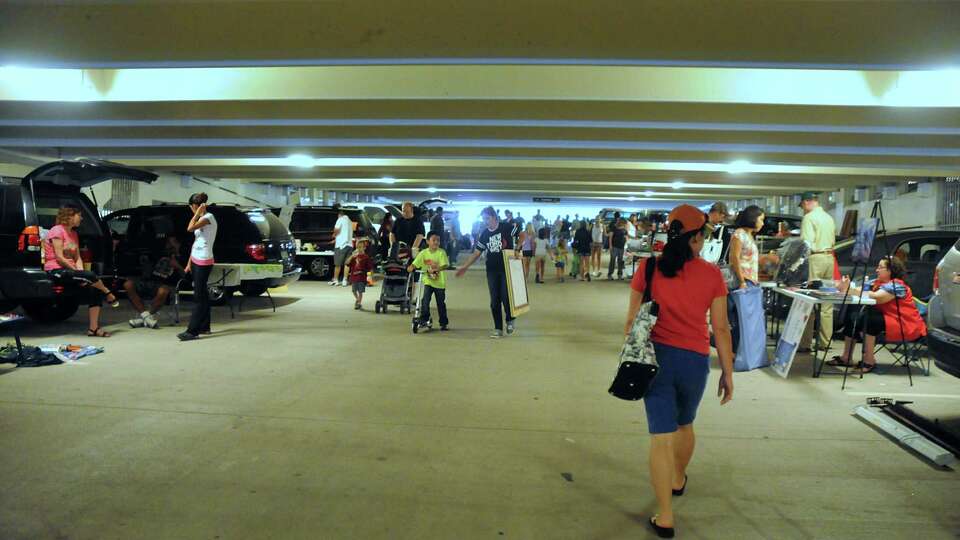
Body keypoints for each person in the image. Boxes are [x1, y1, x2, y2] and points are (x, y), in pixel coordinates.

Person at [624, 204, 734, 538]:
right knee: (685, 425)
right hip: (694, 362)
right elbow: (722, 328)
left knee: (661, 438)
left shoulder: (650, 268)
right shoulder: (712, 274)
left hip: (656, 359)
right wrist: (727, 372)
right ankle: (677, 478)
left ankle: (666, 516)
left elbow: (631, 322)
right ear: (696, 238)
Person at [828, 256, 927, 373]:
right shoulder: (877, 282)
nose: (877, 270)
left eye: (880, 267)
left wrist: (850, 290)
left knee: (868, 319)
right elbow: (859, 289)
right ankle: (846, 357)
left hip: (905, 323)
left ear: (890, 270)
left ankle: (869, 361)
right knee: (853, 314)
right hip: (890, 319)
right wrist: (842, 286)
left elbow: (878, 297)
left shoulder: (897, 286)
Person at [43, 206, 119, 337]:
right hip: (56, 270)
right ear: (70, 216)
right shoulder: (56, 230)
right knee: (90, 276)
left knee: (94, 288)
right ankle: (108, 293)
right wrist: (80, 274)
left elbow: (77, 257)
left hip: (72, 271)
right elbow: (60, 258)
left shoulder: (73, 233)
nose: (81, 218)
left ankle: (93, 329)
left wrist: (80, 273)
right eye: (79, 215)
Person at [455, 206, 525, 338]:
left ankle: (510, 319)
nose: (485, 221)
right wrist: (465, 267)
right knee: (494, 300)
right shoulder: (485, 234)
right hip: (492, 270)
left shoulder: (506, 227)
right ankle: (498, 328)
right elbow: (477, 253)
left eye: (487, 218)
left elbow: (522, 234)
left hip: (506, 267)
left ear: (494, 217)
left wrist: (518, 247)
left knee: (506, 296)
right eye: (483, 219)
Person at [798, 191, 837, 351]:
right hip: (829, 258)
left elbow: (806, 243)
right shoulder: (828, 217)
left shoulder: (809, 218)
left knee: (807, 300)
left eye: (802, 206)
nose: (802, 209)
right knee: (827, 303)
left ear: (807, 203)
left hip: (815, 259)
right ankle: (825, 342)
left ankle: (805, 343)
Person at [178, 193, 218, 342]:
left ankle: (192, 331)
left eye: (191, 207)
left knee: (199, 297)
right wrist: (189, 263)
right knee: (202, 295)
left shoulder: (208, 218)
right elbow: (197, 241)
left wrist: (198, 214)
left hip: (204, 260)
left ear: (196, 206)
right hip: (196, 259)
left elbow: (189, 228)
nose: (191, 210)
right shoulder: (202, 218)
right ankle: (205, 326)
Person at [125, 236, 186, 329]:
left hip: (167, 285)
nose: (169, 245)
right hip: (150, 282)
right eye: (168, 243)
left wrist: (178, 266)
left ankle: (143, 318)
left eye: (172, 243)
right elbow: (146, 271)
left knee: (163, 290)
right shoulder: (159, 253)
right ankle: (147, 317)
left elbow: (187, 276)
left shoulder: (184, 257)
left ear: (178, 244)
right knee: (128, 284)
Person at [409, 231, 450, 330]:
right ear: (427, 241)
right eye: (434, 240)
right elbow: (416, 263)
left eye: (438, 241)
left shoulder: (441, 253)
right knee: (425, 300)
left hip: (439, 283)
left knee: (440, 303)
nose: (436, 242)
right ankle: (424, 318)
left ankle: (443, 322)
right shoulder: (423, 253)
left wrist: (437, 269)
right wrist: (411, 267)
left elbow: (445, 265)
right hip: (428, 281)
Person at [728, 205, 764, 289]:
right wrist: (742, 281)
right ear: (753, 218)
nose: (763, 223)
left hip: (751, 280)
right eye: (761, 220)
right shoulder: (739, 234)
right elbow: (734, 257)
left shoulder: (749, 235)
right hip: (743, 280)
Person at [346, 237, 374, 310]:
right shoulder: (354, 257)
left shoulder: (366, 257)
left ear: (364, 248)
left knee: (360, 291)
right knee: (354, 291)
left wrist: (370, 276)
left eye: (361, 247)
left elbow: (370, 267)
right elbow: (347, 263)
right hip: (354, 277)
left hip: (361, 277)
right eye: (357, 247)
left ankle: (358, 303)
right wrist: (352, 256)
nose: (359, 248)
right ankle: (357, 300)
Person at [330, 204, 354, 287]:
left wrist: (333, 235)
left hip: (341, 245)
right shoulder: (350, 221)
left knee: (337, 264)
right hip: (349, 244)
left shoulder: (340, 219)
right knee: (347, 264)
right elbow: (345, 232)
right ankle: (344, 280)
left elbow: (336, 230)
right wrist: (336, 238)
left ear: (339, 214)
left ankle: (336, 280)